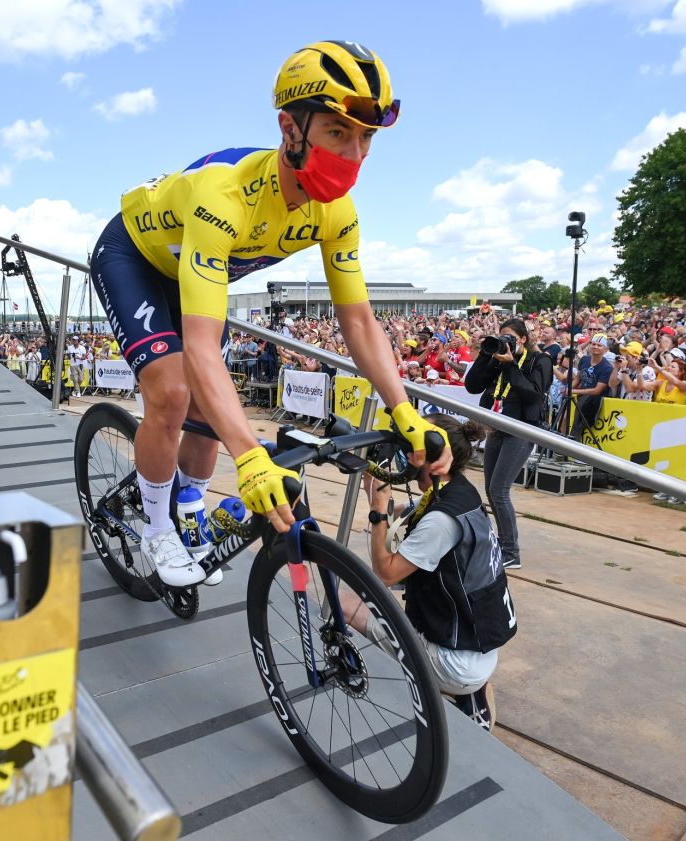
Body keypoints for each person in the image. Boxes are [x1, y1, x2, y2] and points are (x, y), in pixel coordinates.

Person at [88, 41, 450, 587]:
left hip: (191, 272)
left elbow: (358, 321)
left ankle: (188, 506)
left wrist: (403, 409)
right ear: (290, 129)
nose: (355, 154)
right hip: (133, 257)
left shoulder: (337, 212)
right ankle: (158, 528)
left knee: (213, 404)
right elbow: (201, 347)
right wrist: (250, 457)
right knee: (173, 392)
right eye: (338, 132)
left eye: (366, 138)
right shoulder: (225, 194)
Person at [351, 414, 515, 731]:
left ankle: (448, 691)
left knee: (343, 603)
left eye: (412, 449)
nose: (406, 456)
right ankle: (471, 691)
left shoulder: (440, 522)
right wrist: (385, 499)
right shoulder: (460, 492)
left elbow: (385, 574)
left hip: (454, 664)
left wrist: (377, 510)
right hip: (478, 647)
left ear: (432, 459)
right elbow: (411, 513)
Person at [464, 318, 553, 570]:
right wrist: (486, 353)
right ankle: (503, 544)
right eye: (503, 336)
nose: (507, 342)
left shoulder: (540, 360)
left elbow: (534, 393)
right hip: (496, 427)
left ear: (523, 339)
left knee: (499, 490)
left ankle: (511, 551)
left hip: (521, 429)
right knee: (491, 489)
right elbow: (472, 386)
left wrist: (511, 365)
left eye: (511, 338)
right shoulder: (498, 357)